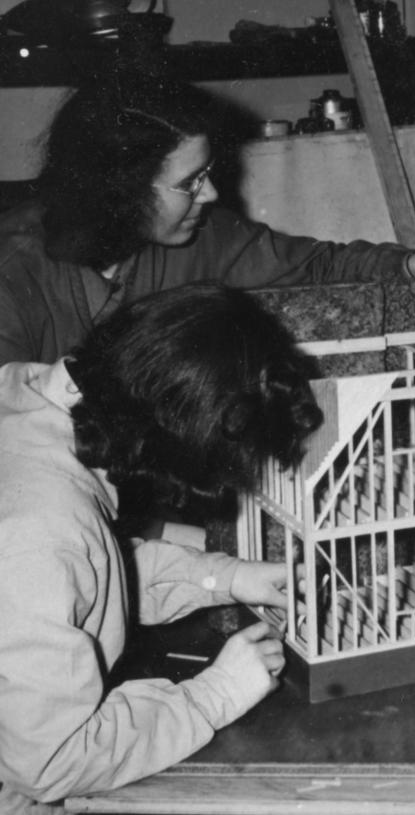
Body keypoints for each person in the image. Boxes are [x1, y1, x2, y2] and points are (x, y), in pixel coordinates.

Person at [0, 283, 324, 815]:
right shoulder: (44, 531)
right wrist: (213, 695)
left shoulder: (30, 394)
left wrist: (227, 577)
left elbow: (84, 577)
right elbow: (50, 763)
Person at [0, 69, 415, 367]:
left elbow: (316, 267)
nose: (214, 193)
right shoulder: (15, 264)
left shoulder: (200, 237)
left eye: (209, 172)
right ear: (119, 190)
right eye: (189, 182)